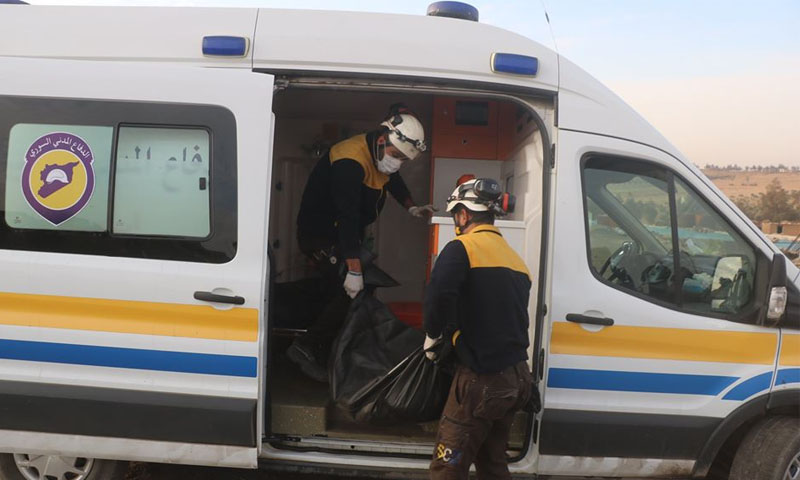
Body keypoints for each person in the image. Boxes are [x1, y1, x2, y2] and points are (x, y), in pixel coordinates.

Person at [288, 104, 435, 382]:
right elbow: (347, 218)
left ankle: (333, 350)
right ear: (382, 140)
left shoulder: (379, 155)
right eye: (396, 156)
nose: (397, 162)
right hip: (321, 235)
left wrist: (411, 207)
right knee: (350, 288)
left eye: (404, 159)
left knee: (350, 289)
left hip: (343, 234)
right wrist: (353, 269)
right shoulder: (349, 161)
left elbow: (393, 180)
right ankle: (305, 348)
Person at [423, 178, 533, 480]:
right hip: (515, 379)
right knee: (492, 463)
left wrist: (433, 334)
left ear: (463, 215)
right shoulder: (515, 260)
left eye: (456, 215)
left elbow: (438, 294)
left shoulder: (462, 247)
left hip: (480, 381)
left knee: (447, 467)